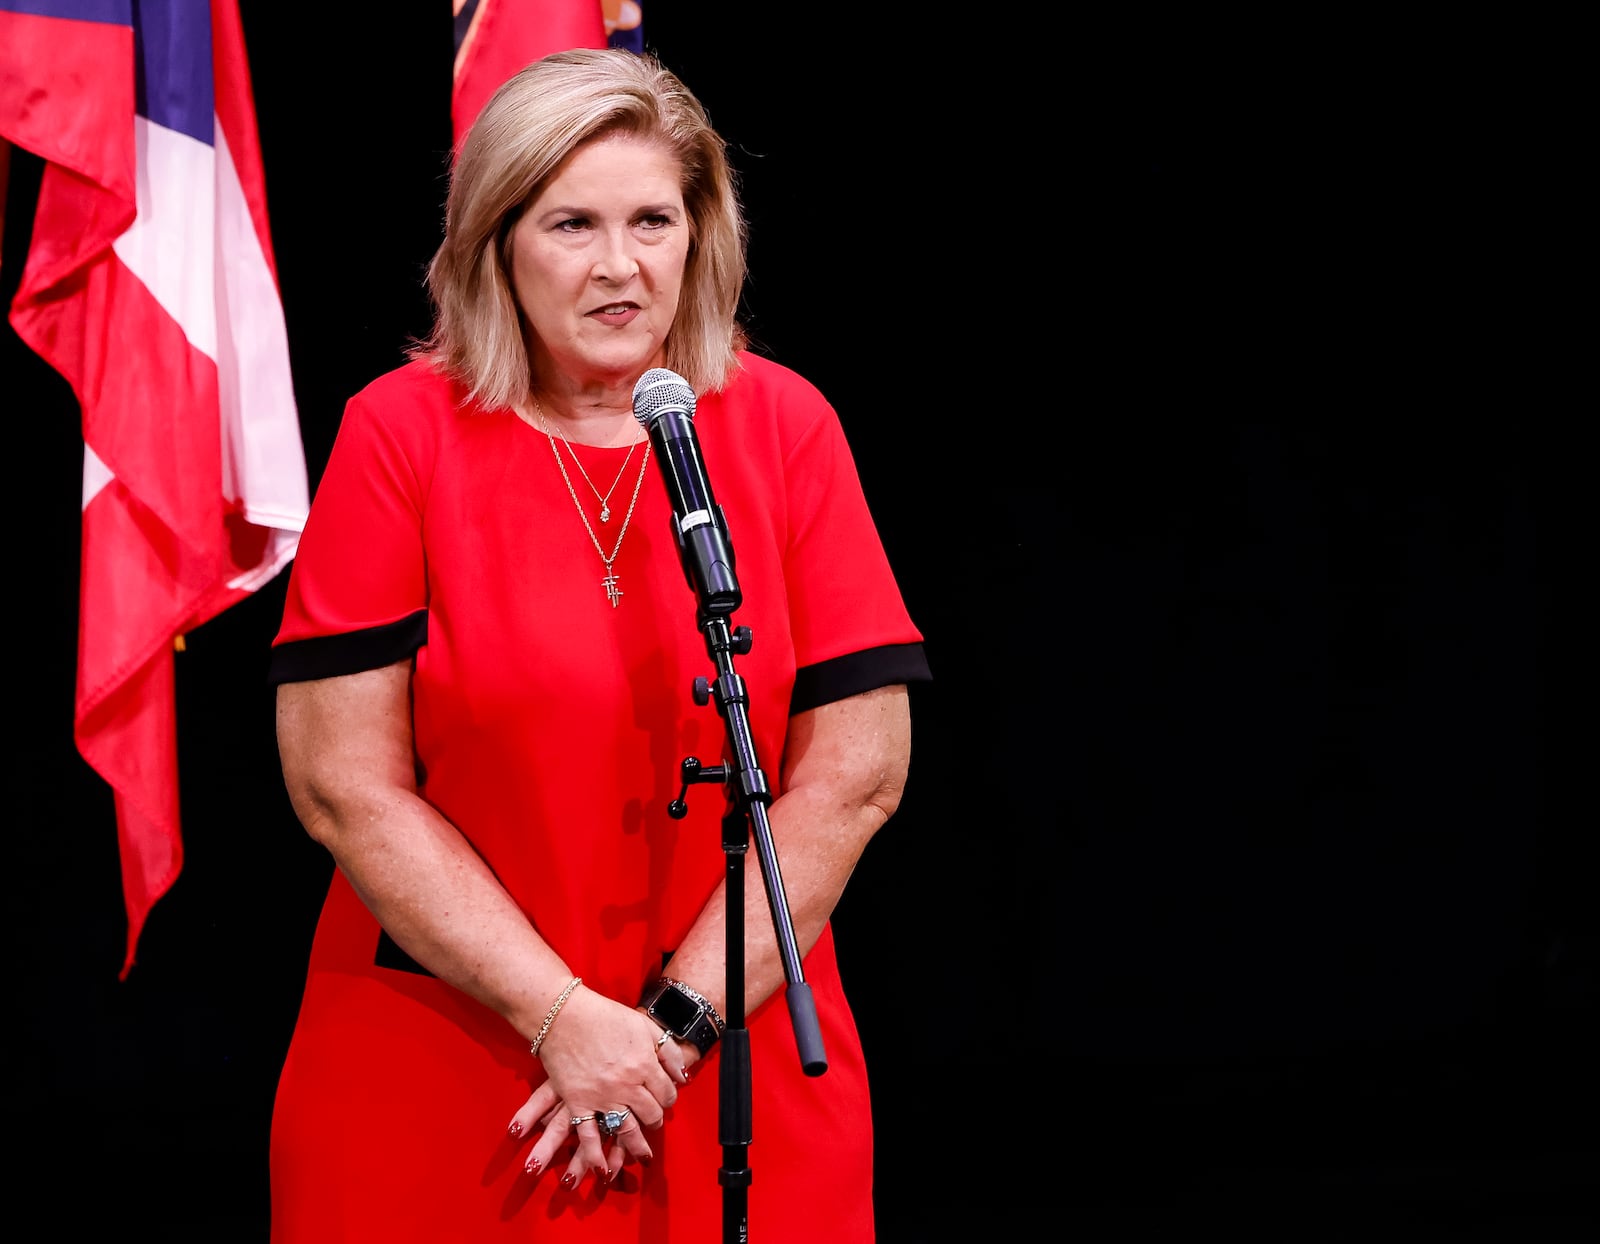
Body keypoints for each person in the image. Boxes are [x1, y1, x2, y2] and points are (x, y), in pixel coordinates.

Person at [265, 47, 931, 1241]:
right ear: (496, 243)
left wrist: (668, 1030)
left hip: (729, 1060)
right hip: (450, 1064)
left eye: (652, 221)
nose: (621, 266)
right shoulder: (399, 433)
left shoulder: (784, 424)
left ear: (700, 233)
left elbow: (855, 773)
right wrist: (560, 1016)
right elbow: (341, 785)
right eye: (573, 223)